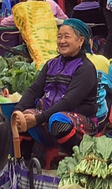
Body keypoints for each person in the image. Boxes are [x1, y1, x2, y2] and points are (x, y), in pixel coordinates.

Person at [11, 20, 101, 156]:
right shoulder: (51, 64)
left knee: (58, 120)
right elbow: (35, 89)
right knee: (23, 117)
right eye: (59, 36)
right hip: (48, 117)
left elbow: (69, 102)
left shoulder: (85, 68)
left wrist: (40, 118)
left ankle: (71, 155)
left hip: (77, 122)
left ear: (81, 41)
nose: (62, 41)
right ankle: (26, 160)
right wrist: (18, 110)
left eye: (67, 37)